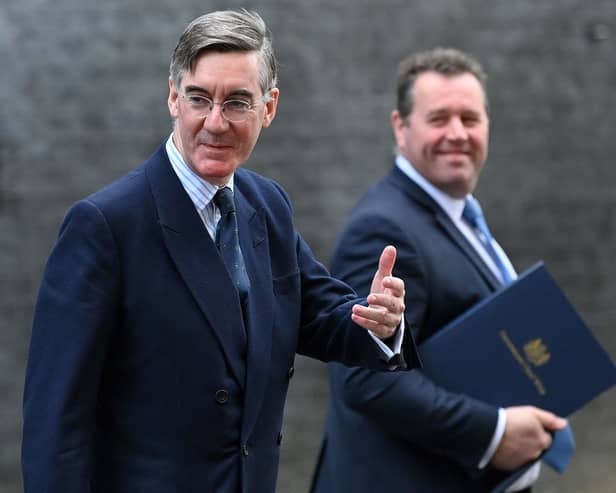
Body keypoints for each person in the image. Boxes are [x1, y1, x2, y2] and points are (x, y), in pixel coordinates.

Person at [21, 10, 419, 493]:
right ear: (173, 97)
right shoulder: (104, 226)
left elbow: (318, 316)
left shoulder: (267, 205)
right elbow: (55, 422)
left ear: (269, 108)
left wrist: (381, 320)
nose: (215, 122)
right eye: (198, 99)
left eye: (236, 103)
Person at [311, 48, 568, 493]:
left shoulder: (461, 217)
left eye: (470, 119)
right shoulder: (383, 229)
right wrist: (495, 432)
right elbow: (366, 380)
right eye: (438, 119)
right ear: (400, 127)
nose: (457, 133)